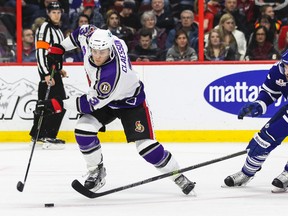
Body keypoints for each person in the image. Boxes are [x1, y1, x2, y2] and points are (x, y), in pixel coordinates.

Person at [34, 25, 195, 195]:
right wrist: (59, 48)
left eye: (102, 52)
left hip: (130, 103)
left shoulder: (112, 75)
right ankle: (96, 171)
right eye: (94, 51)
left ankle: (177, 175)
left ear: (110, 48)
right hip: (106, 101)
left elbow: (89, 103)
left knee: (146, 148)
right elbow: (80, 32)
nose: (97, 56)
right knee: (83, 130)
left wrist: (57, 104)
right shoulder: (94, 37)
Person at [223, 50, 288, 193]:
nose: (287, 71)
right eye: (286, 66)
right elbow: (270, 92)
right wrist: (259, 103)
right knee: (262, 140)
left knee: (266, 139)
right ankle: (246, 173)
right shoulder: (279, 70)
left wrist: (269, 137)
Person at [29, 1, 67, 150]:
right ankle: (48, 136)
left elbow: (55, 52)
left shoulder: (57, 30)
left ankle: (37, 135)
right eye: (53, 13)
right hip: (48, 72)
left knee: (45, 103)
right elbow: (40, 53)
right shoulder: (44, 28)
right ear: (48, 13)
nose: (56, 15)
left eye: (58, 12)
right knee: (55, 104)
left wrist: (59, 68)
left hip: (53, 71)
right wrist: (45, 73)